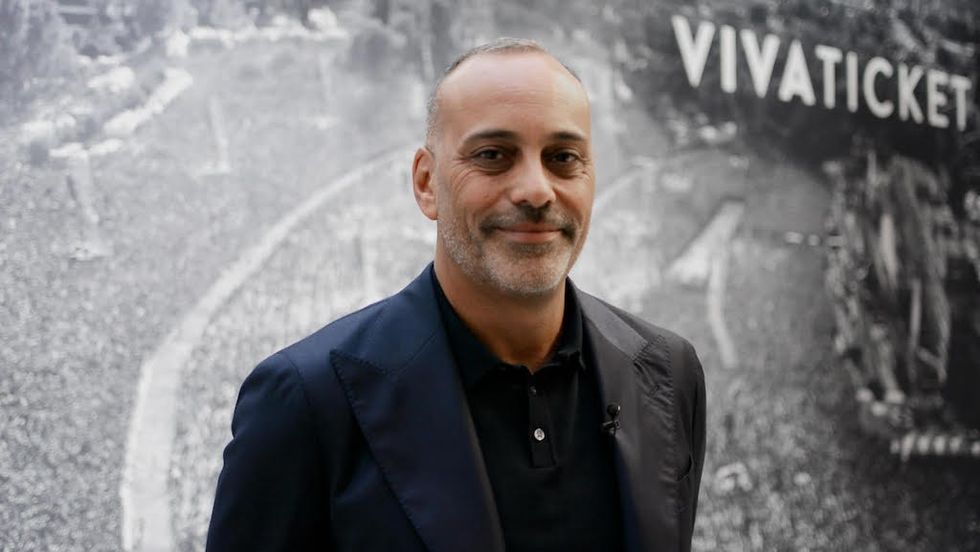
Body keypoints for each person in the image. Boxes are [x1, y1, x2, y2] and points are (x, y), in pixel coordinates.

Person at [206, 38, 706, 552]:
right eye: (493, 155)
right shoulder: (306, 401)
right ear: (426, 183)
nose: (537, 189)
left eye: (563, 157)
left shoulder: (669, 372)